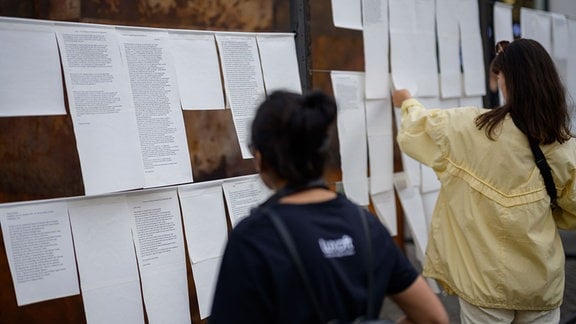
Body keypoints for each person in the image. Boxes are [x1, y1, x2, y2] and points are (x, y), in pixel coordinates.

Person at [210, 90, 449, 324]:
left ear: (260, 158)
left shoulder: (253, 238)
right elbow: (434, 318)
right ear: (322, 155)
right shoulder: (365, 225)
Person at [393, 38, 576, 323]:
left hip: (485, 284)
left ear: (508, 80)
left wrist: (406, 102)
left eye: (498, 75)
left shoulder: (471, 127)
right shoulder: (563, 143)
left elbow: (418, 130)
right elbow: (572, 212)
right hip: (541, 282)